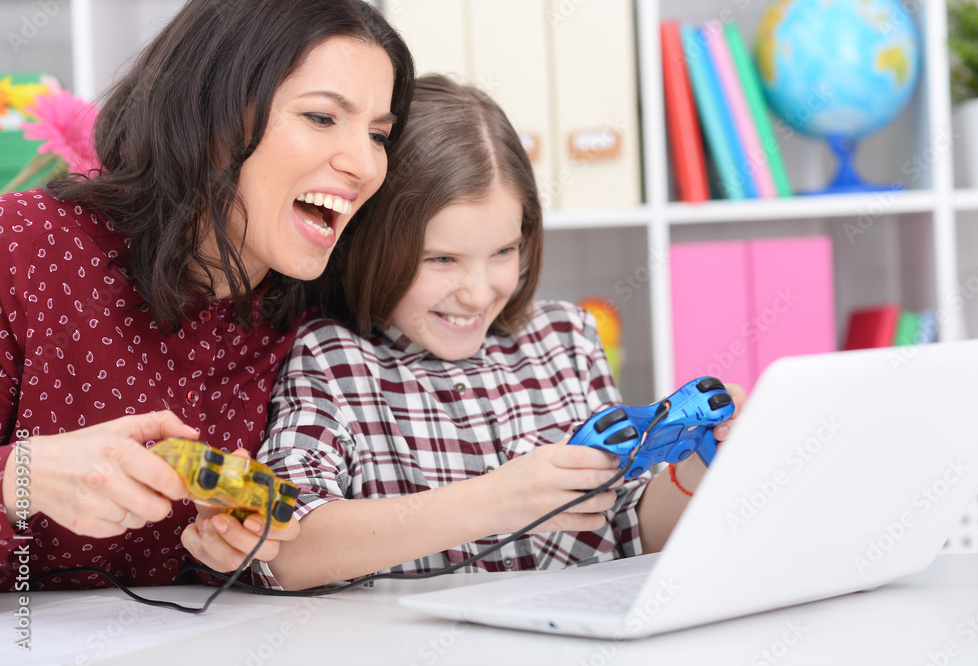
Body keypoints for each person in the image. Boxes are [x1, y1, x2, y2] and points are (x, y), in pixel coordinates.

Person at [259, 75, 745, 591]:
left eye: (503, 253)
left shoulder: (566, 339)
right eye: (441, 259)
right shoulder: (329, 359)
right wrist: (491, 503)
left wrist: (697, 470)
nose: (475, 293)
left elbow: (626, 531)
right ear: (370, 244)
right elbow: (285, 548)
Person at [0, 0, 414, 591]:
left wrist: (240, 552)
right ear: (211, 115)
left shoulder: (315, 322)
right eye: (322, 118)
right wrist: (22, 478)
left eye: (378, 135)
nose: (365, 164)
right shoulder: (22, 246)